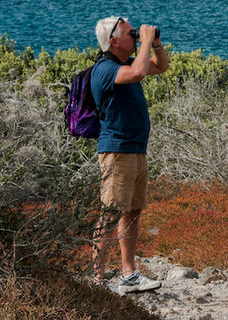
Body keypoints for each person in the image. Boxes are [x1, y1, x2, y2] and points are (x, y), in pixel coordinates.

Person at [91, 16, 169, 293]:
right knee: (110, 212)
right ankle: (96, 279)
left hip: (136, 149)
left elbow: (160, 66)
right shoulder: (105, 68)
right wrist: (146, 41)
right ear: (113, 41)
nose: (134, 36)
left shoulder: (127, 62)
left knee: (132, 212)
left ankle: (129, 274)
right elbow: (137, 73)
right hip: (117, 150)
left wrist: (155, 44)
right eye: (129, 33)